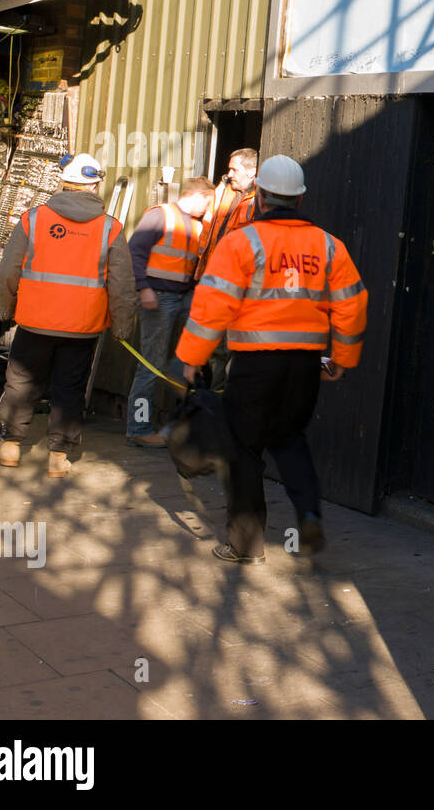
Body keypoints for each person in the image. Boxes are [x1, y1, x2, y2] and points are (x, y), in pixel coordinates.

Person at [175, 154, 367, 564]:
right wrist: (343, 359)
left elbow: (213, 306)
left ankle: (245, 545)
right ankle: (310, 515)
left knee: (244, 449)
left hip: (254, 364)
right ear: (299, 200)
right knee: (290, 440)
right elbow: (352, 305)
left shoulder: (241, 242)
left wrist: (192, 357)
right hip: (304, 365)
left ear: (260, 197)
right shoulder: (330, 245)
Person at [0, 154, 137, 477]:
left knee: (21, 383)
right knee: (69, 388)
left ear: (64, 182)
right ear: (95, 185)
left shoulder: (33, 219)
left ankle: (10, 446)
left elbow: (8, 271)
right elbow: (122, 284)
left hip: (33, 321)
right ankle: (58, 457)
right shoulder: (110, 228)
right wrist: (123, 326)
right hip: (82, 327)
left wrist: (6, 308)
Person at [124, 176, 215, 447]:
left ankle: (176, 373)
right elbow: (135, 253)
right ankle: (138, 428)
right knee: (149, 366)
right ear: (198, 196)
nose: (209, 210)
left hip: (182, 296)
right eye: (208, 203)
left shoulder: (198, 226)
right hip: (158, 296)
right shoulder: (160, 215)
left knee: (199, 342)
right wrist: (144, 289)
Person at [194, 148, 259, 389]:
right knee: (214, 350)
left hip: (239, 292)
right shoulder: (223, 193)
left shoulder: (258, 202)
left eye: (234, 169)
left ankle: (223, 406)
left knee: (232, 352)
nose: (228, 173)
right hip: (214, 287)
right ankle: (213, 404)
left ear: (252, 172)